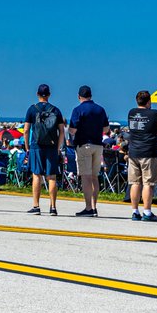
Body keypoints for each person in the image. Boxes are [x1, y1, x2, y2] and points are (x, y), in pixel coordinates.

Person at [23, 83, 65, 215]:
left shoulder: (32, 109)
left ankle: (36, 206)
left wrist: (27, 147)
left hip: (36, 146)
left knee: (37, 175)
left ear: (37, 94)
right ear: (49, 95)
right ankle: (53, 207)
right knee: (51, 177)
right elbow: (62, 131)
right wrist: (58, 148)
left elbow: (26, 130)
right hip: (51, 147)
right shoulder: (56, 110)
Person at [126, 90, 157, 223]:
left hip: (133, 152)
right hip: (149, 152)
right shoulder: (155, 113)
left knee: (135, 182)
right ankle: (147, 212)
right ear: (149, 101)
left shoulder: (131, 113)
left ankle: (134, 211)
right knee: (148, 183)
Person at [69, 85, 108, 217]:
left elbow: (73, 130)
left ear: (79, 96)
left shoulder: (77, 110)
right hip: (98, 145)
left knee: (85, 177)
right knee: (94, 177)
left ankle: (88, 208)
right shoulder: (100, 109)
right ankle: (95, 206)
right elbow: (106, 129)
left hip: (84, 144)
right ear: (91, 95)